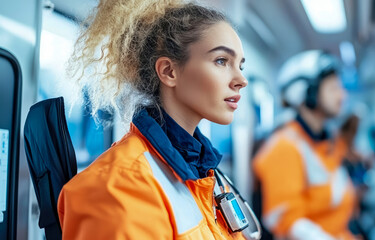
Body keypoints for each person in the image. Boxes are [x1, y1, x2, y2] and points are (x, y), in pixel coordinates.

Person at [57, 0, 258, 239]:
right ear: (168, 72)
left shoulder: (203, 172)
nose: (241, 80)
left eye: (240, 66)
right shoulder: (120, 186)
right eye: (221, 61)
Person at [252, 50, 356, 240]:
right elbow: (287, 223)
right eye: (333, 88)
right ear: (305, 92)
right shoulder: (284, 147)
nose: (342, 95)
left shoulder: (327, 143)